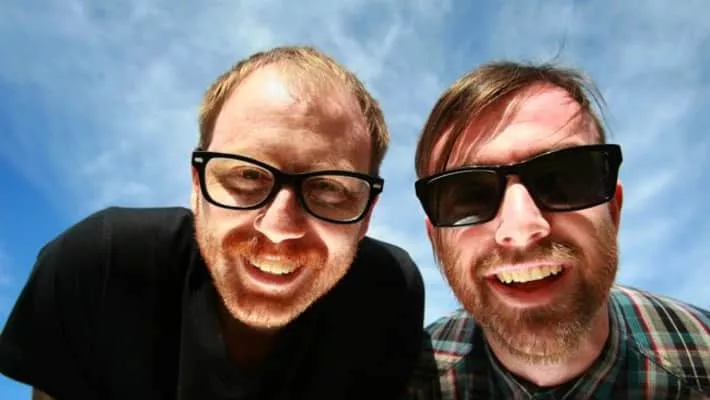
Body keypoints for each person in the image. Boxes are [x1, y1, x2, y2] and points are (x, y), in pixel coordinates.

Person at [0, 45, 425, 399]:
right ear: (197, 184)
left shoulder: (386, 294)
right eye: (247, 176)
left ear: (367, 215)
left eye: (330, 188)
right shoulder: (100, 265)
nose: (279, 228)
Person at [405, 61, 710, 399]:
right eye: (469, 197)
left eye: (562, 180)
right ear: (436, 241)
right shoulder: (405, 384)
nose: (521, 228)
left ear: (613, 210)